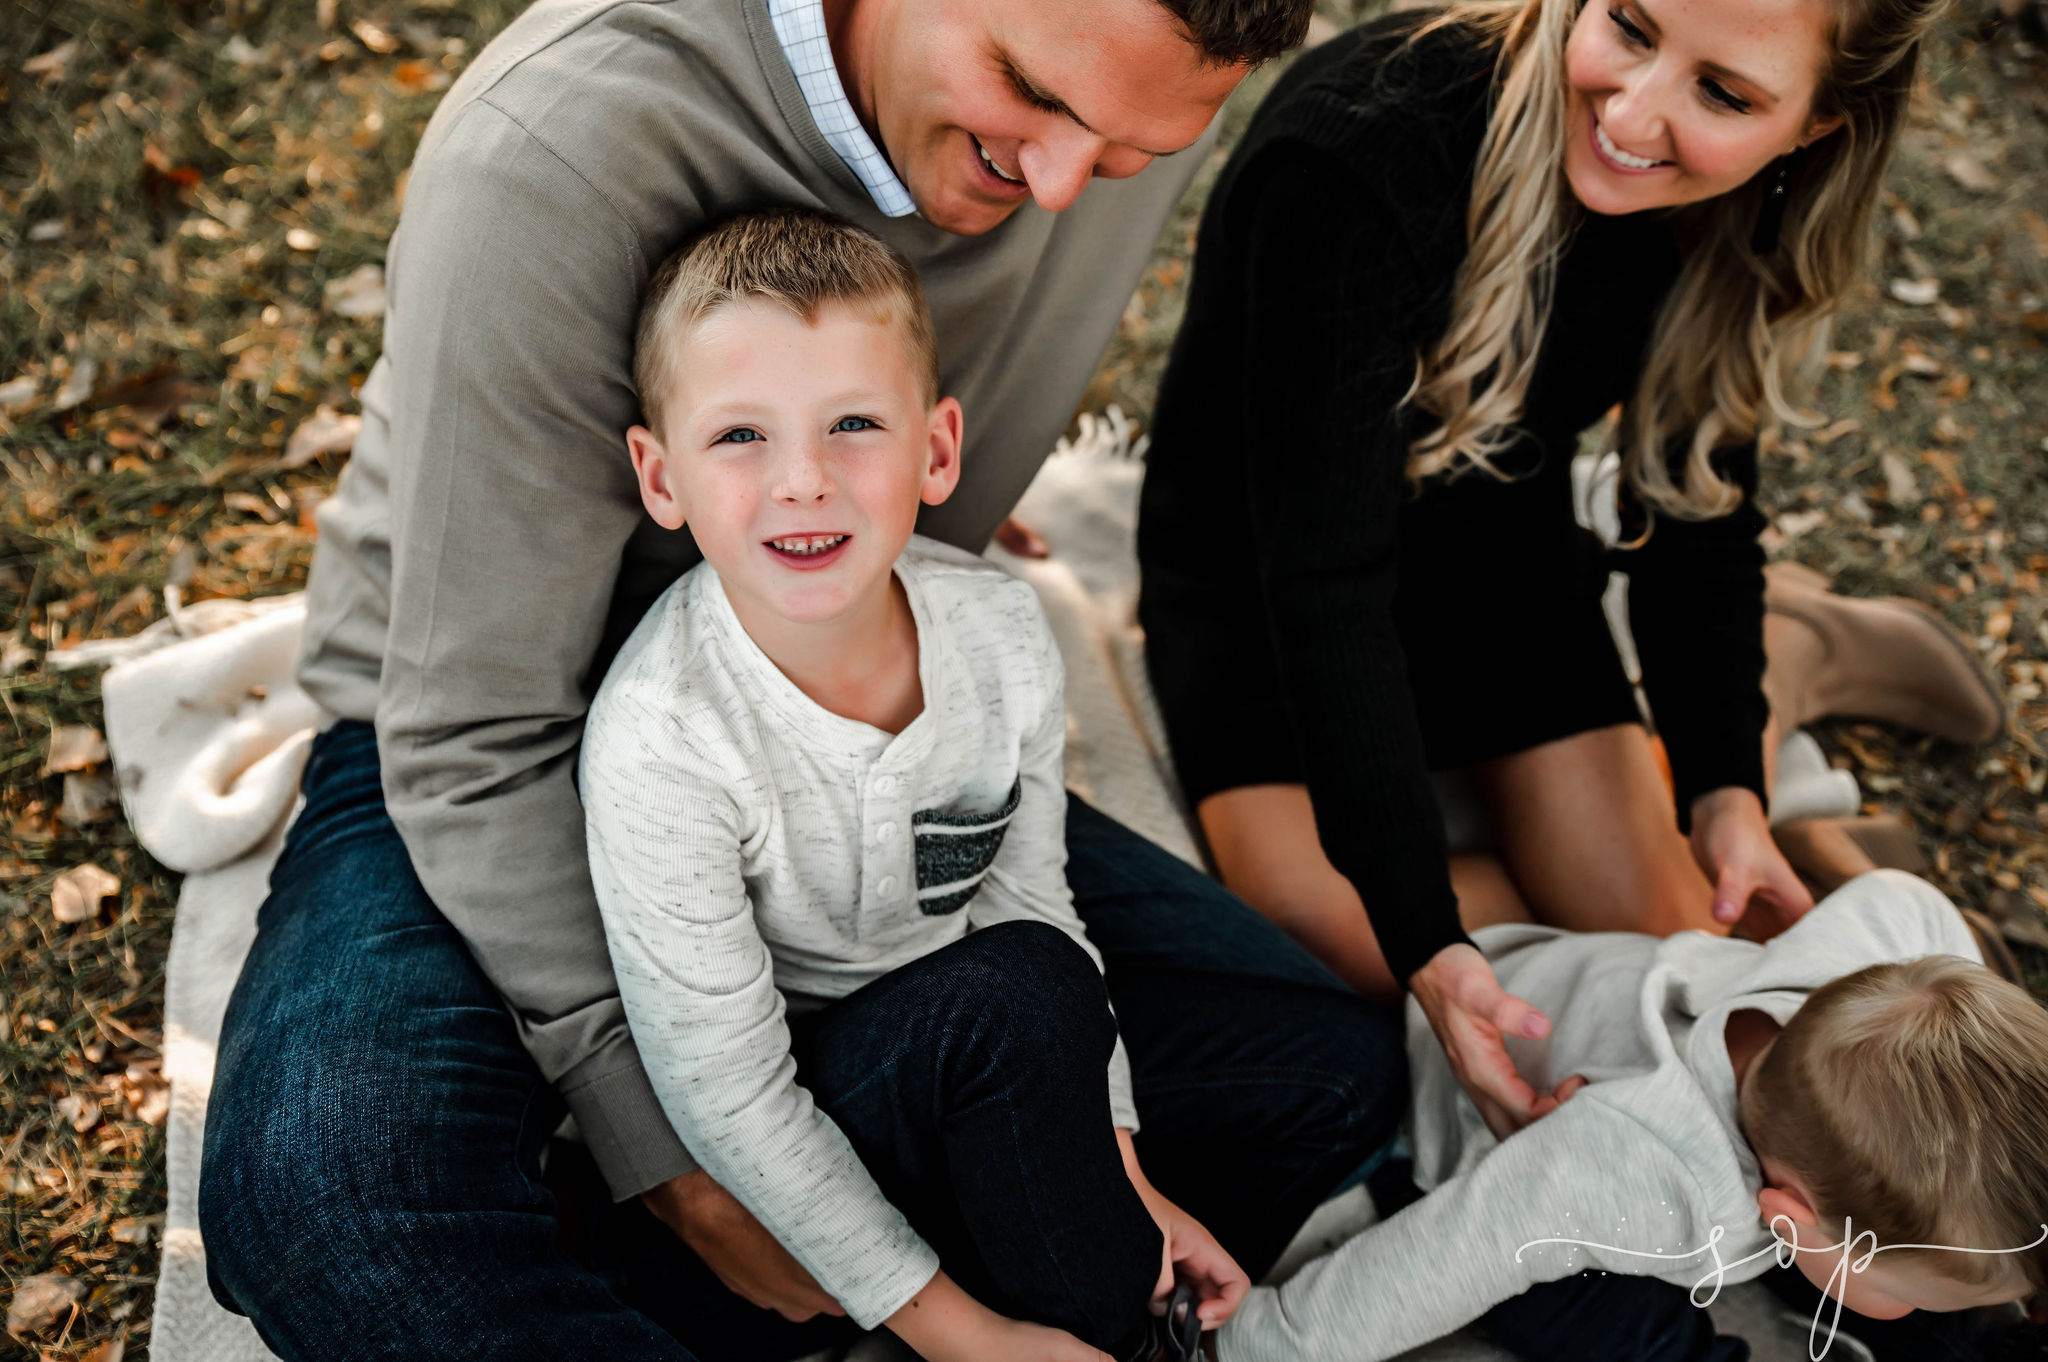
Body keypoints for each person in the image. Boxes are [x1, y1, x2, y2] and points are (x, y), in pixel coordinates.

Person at [199, 0, 1412, 1356]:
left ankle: (827, 1256)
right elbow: (473, 722)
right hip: (503, 740)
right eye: (1030, 95)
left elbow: (1024, 885)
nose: (1066, 186)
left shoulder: (1121, 65)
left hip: (852, 694)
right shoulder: (554, 144)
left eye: (1133, 152)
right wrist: (670, 1148)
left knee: (1315, 1068)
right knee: (334, 1197)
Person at [1135, 0, 1980, 1145]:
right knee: (1330, 928)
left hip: (1497, 552)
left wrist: (1725, 785)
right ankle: (1789, 699)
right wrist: (1424, 938)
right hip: (1263, 573)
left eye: (1723, 95)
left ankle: (1787, 664)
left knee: (1689, 958)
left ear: (1815, 126)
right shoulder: (1359, 148)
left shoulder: (1744, 207)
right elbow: (1323, 585)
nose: (1632, 114)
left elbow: (1694, 503)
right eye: (1627, 27)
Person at [581, 208, 1245, 1361]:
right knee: (1019, 1000)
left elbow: (1034, 898)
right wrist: (964, 1339)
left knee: (1326, 1075)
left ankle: (1061, 1255)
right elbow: (730, 1098)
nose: (803, 481)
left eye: (853, 424)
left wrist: (1125, 1177)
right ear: (660, 475)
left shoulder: (995, 633)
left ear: (936, 449)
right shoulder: (662, 738)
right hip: (809, 1109)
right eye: (740, 436)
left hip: (987, 1057)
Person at [1211, 868, 2048, 1360]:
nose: (1916, 1303)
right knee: (1626, 1330)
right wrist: (1251, 1342)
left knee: (1932, 1237)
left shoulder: (1885, 960)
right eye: (1909, 1297)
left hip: (1588, 998)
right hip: (1460, 1141)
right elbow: (1431, 1264)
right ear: (1787, 1226)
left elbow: (1908, 898)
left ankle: (1945, 1310)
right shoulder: (1648, 1185)